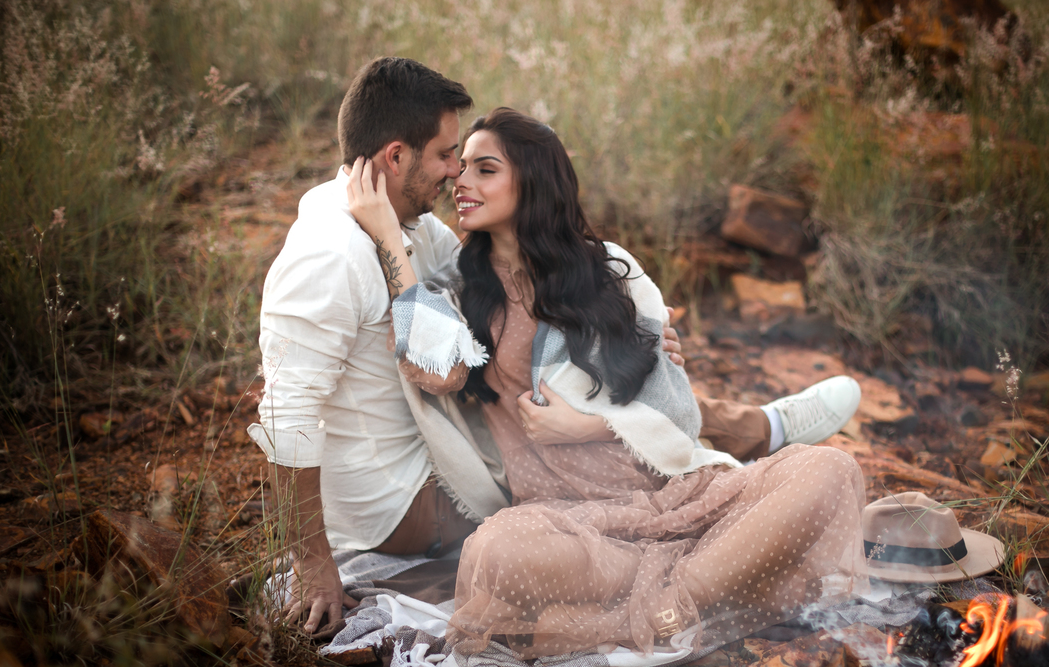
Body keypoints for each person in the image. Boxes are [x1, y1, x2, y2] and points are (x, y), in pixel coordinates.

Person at [251, 56, 861, 635]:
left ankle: (707, 541)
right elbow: (426, 367)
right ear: (394, 155)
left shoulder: (575, 261)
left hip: (646, 480)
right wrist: (312, 560)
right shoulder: (408, 267)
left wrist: (610, 400)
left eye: (480, 167)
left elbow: (667, 399)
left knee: (828, 469)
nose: (457, 176)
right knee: (498, 554)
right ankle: (710, 548)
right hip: (527, 502)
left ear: (531, 183)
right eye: (450, 158)